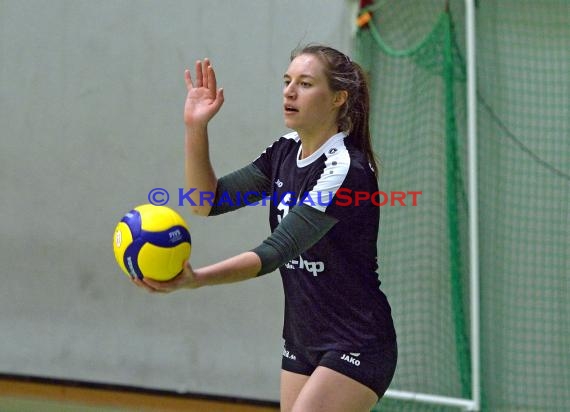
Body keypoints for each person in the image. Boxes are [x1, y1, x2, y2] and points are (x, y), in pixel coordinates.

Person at [133, 44, 397, 412]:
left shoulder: (344, 170)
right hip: (303, 337)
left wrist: (198, 278)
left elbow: (275, 251)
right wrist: (196, 127)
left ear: (339, 98)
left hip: (357, 340)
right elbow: (205, 201)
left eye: (305, 84)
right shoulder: (285, 151)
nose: (290, 91)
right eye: (287, 81)